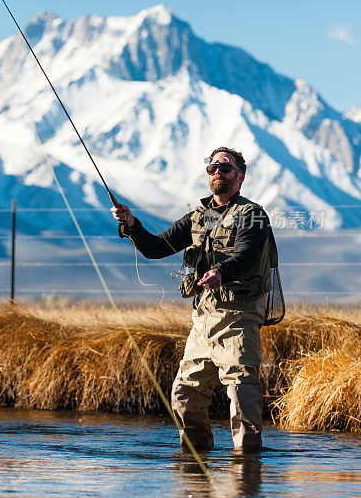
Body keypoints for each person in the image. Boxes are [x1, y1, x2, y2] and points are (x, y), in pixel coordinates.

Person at [111, 147, 273, 451]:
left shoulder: (253, 214)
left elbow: (248, 255)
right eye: (212, 167)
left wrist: (221, 272)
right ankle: (196, 459)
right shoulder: (200, 216)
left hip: (239, 318)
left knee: (241, 393)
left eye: (225, 168)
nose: (217, 172)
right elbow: (157, 247)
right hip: (202, 320)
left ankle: (247, 466)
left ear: (240, 177)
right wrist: (132, 225)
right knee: (184, 395)